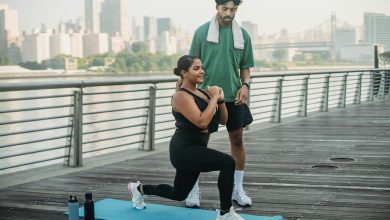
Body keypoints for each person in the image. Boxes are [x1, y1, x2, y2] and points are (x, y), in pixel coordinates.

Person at [128, 55, 245, 220]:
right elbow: (201, 122)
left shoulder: (202, 93)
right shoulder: (181, 96)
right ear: (183, 73)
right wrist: (212, 98)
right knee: (227, 162)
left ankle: (139, 189)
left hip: (196, 149)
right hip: (183, 150)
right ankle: (226, 213)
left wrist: (219, 100)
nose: (201, 71)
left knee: (179, 193)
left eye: (202, 67)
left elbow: (223, 120)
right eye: (196, 68)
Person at [182, 0, 255, 208]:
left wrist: (245, 86)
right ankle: (192, 190)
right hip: (205, 97)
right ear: (217, 8)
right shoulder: (201, 33)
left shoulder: (244, 36)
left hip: (234, 96)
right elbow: (190, 66)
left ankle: (238, 190)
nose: (229, 13)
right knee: (198, 144)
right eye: (225, 9)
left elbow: (245, 67)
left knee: (238, 141)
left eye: (233, 9)